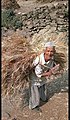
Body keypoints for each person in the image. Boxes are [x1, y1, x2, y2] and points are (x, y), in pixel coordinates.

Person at [29, 41, 60, 112]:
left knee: (43, 88)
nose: (49, 53)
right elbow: (38, 74)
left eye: (51, 51)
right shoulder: (38, 60)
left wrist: (55, 68)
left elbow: (52, 66)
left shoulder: (52, 58)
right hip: (35, 78)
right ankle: (34, 106)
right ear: (45, 51)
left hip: (43, 78)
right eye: (48, 51)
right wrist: (50, 73)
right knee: (35, 92)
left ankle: (43, 98)